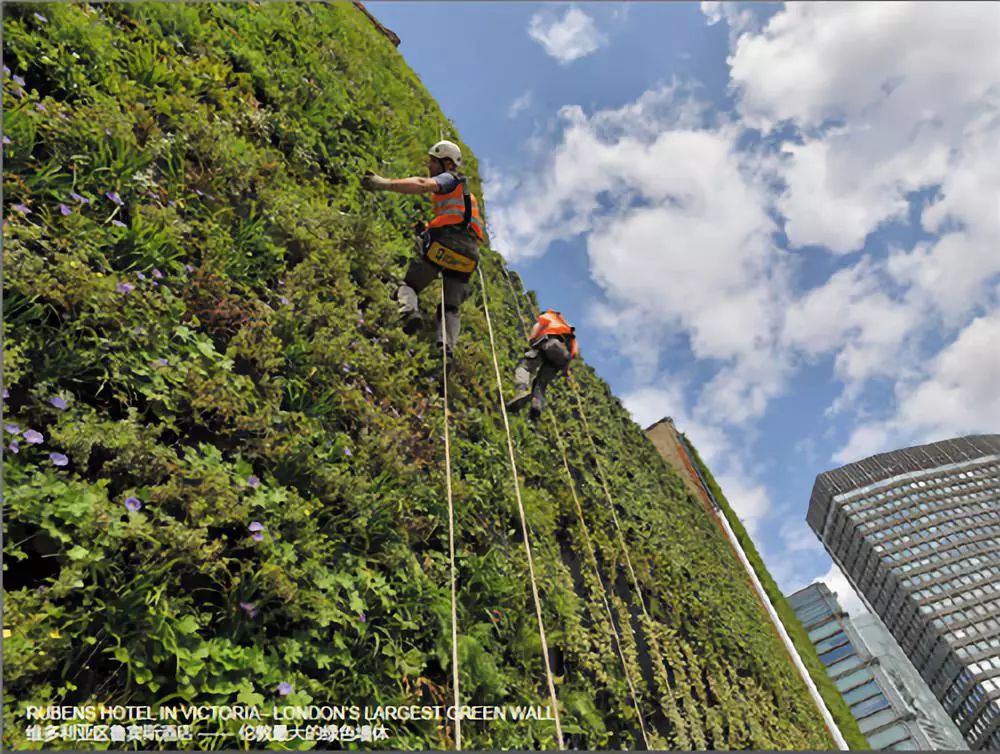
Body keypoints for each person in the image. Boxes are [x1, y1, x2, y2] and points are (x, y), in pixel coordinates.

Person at [361, 140, 484, 357]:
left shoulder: (449, 179)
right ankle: (446, 349)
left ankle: (409, 313)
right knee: (451, 307)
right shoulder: (468, 197)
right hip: (469, 256)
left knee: (409, 285)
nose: (429, 166)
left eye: (432, 161)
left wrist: (383, 183)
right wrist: (427, 227)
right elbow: (457, 221)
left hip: (444, 244)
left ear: (446, 163)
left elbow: (422, 183)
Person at [506, 309, 579, 421]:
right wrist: (565, 369)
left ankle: (522, 390)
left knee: (524, 368)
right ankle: (537, 405)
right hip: (562, 358)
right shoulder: (568, 330)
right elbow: (574, 352)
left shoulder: (549, 316)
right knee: (541, 384)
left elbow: (538, 326)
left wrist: (531, 341)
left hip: (549, 344)